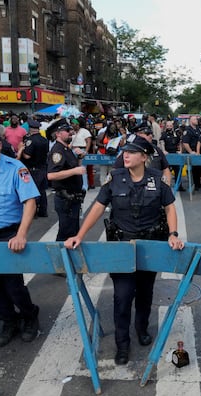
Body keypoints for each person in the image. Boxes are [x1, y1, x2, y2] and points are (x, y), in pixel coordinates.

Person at [64, 136, 184, 365]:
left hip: (150, 247)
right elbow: (98, 207)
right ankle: (122, 344)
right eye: (124, 152)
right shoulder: (115, 178)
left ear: (144, 157)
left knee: (145, 292)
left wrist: (173, 234)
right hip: (121, 247)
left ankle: (141, 328)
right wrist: (80, 235)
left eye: (131, 152)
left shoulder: (157, 179)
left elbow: (169, 208)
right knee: (122, 296)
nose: (125, 156)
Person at [0, 126, 40, 347]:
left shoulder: (15, 168)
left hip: (8, 236)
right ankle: (8, 320)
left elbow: (30, 201)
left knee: (13, 286)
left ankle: (29, 316)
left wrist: (21, 234)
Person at [46, 118, 86, 241]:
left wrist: (79, 158)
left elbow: (72, 167)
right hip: (66, 199)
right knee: (66, 233)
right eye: (67, 130)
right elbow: (51, 175)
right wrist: (74, 171)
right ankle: (60, 258)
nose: (71, 132)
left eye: (70, 130)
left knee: (72, 232)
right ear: (58, 134)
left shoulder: (66, 149)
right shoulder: (58, 151)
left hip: (73, 198)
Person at [18, 119, 49, 217]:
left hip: (32, 169)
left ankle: (33, 212)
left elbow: (27, 156)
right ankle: (43, 211)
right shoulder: (44, 140)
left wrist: (21, 149)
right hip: (43, 167)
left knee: (32, 190)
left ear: (30, 129)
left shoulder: (30, 140)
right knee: (42, 191)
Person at [182, 115, 201, 190]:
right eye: (195, 119)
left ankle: (197, 184)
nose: (196, 120)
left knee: (199, 168)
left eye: (197, 119)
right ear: (190, 121)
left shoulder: (198, 129)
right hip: (191, 152)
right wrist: (190, 151)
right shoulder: (188, 130)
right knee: (192, 169)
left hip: (198, 152)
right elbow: (185, 143)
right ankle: (192, 184)